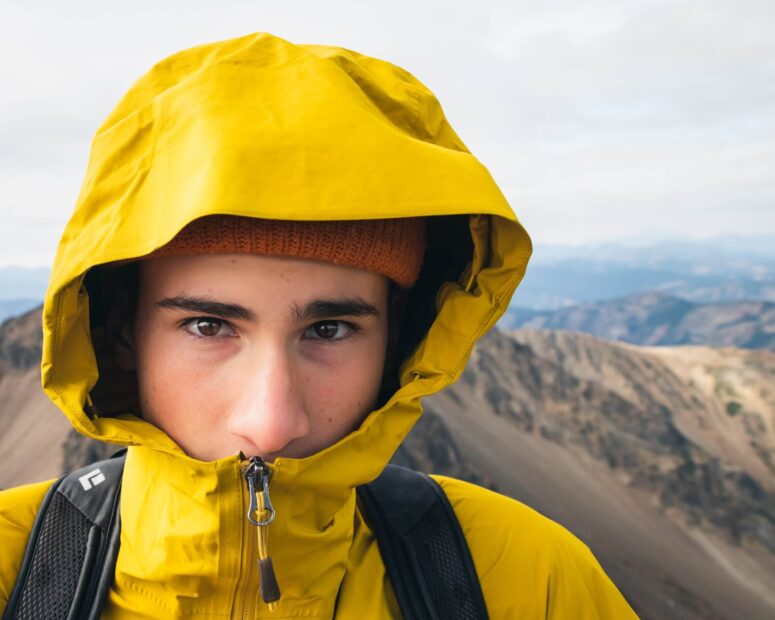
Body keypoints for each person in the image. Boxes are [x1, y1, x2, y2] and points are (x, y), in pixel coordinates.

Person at [0, 32, 637, 618]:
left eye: (329, 330)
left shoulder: (529, 578)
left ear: (399, 342)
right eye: (206, 327)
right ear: (120, 333)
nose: (272, 423)